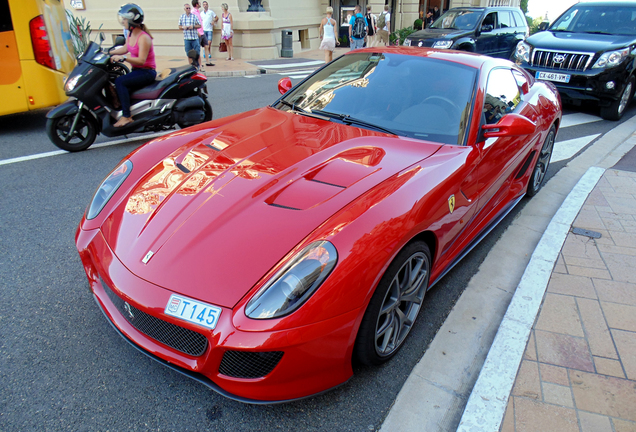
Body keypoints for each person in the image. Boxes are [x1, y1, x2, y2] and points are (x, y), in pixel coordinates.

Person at [110, 4, 157, 128]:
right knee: (114, 80)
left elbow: (141, 60)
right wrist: (108, 52)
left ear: (132, 20)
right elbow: (126, 48)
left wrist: (123, 58)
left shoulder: (144, 38)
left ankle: (126, 116)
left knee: (121, 82)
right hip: (136, 70)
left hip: (146, 72)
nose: (123, 22)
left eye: (124, 19)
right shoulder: (130, 34)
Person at [190, 0, 207, 71]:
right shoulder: (193, 12)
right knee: (197, 50)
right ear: (196, 4)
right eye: (199, 3)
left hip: (202, 32)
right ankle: (198, 64)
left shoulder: (197, 11)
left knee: (206, 46)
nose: (200, 4)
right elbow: (193, 23)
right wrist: (197, 32)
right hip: (198, 33)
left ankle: (207, 61)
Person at [201, 1, 218, 66]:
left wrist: (214, 21)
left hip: (209, 29)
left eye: (206, 4)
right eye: (204, 5)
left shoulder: (211, 12)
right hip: (204, 29)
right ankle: (207, 53)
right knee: (205, 43)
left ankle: (207, 52)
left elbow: (216, 17)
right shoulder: (201, 13)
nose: (205, 5)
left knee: (209, 42)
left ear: (208, 5)